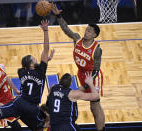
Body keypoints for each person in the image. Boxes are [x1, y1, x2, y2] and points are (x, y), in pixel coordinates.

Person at [51, 3, 105, 131]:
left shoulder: (97, 50)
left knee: (94, 106)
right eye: (86, 29)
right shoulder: (77, 39)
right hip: (80, 72)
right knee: (70, 98)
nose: (87, 32)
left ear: (94, 35)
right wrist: (58, 15)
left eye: (90, 31)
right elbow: (66, 29)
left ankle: (101, 129)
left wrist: (87, 85)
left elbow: (96, 70)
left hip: (90, 76)